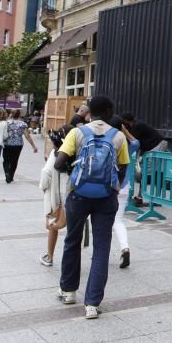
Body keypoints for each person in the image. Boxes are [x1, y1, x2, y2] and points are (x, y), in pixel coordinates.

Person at [53, 96, 130, 319]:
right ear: (108, 111)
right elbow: (123, 168)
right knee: (102, 248)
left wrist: (75, 169)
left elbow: (58, 164)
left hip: (78, 195)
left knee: (72, 241)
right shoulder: (117, 136)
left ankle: (68, 291)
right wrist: (113, 188)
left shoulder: (77, 133)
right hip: (106, 197)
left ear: (90, 112)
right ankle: (93, 304)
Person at [119, 113, 165, 207]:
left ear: (126, 120)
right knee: (148, 171)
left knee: (150, 171)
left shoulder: (137, 126)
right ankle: (143, 197)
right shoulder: (134, 126)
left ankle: (147, 198)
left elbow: (133, 141)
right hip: (150, 147)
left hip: (157, 145)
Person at [38, 130, 68, 267]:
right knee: (75, 229)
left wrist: (43, 187)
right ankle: (73, 258)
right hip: (75, 195)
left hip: (57, 196)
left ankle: (49, 256)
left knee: (53, 226)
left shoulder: (56, 153)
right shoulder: (77, 150)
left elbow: (46, 172)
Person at [107, 115, 134, 269]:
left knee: (102, 219)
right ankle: (125, 247)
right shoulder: (127, 142)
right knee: (118, 220)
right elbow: (137, 142)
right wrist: (125, 131)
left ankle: (101, 251)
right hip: (123, 185)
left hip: (108, 186)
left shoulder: (108, 140)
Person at [2, 110, 37, 184]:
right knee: (14, 161)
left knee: (6, 160)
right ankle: (11, 176)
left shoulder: (6, 123)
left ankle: (7, 173)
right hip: (18, 144)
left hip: (7, 144)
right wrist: (33, 146)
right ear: (19, 115)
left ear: (11, 114)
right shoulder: (22, 124)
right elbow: (27, 136)